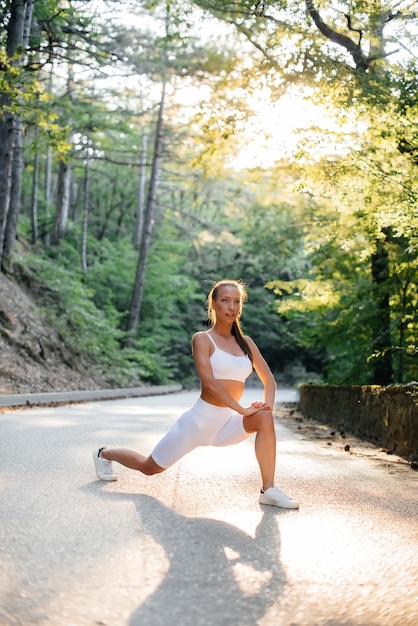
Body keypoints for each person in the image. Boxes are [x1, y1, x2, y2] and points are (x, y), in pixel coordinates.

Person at [93, 279, 299, 509]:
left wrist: (266, 407)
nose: (231, 307)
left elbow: (268, 380)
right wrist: (242, 409)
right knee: (148, 467)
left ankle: (268, 489)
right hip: (197, 423)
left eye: (236, 302)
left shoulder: (247, 343)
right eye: (225, 301)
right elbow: (210, 383)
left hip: (226, 426)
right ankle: (104, 453)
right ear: (213, 303)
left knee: (264, 418)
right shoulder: (202, 339)